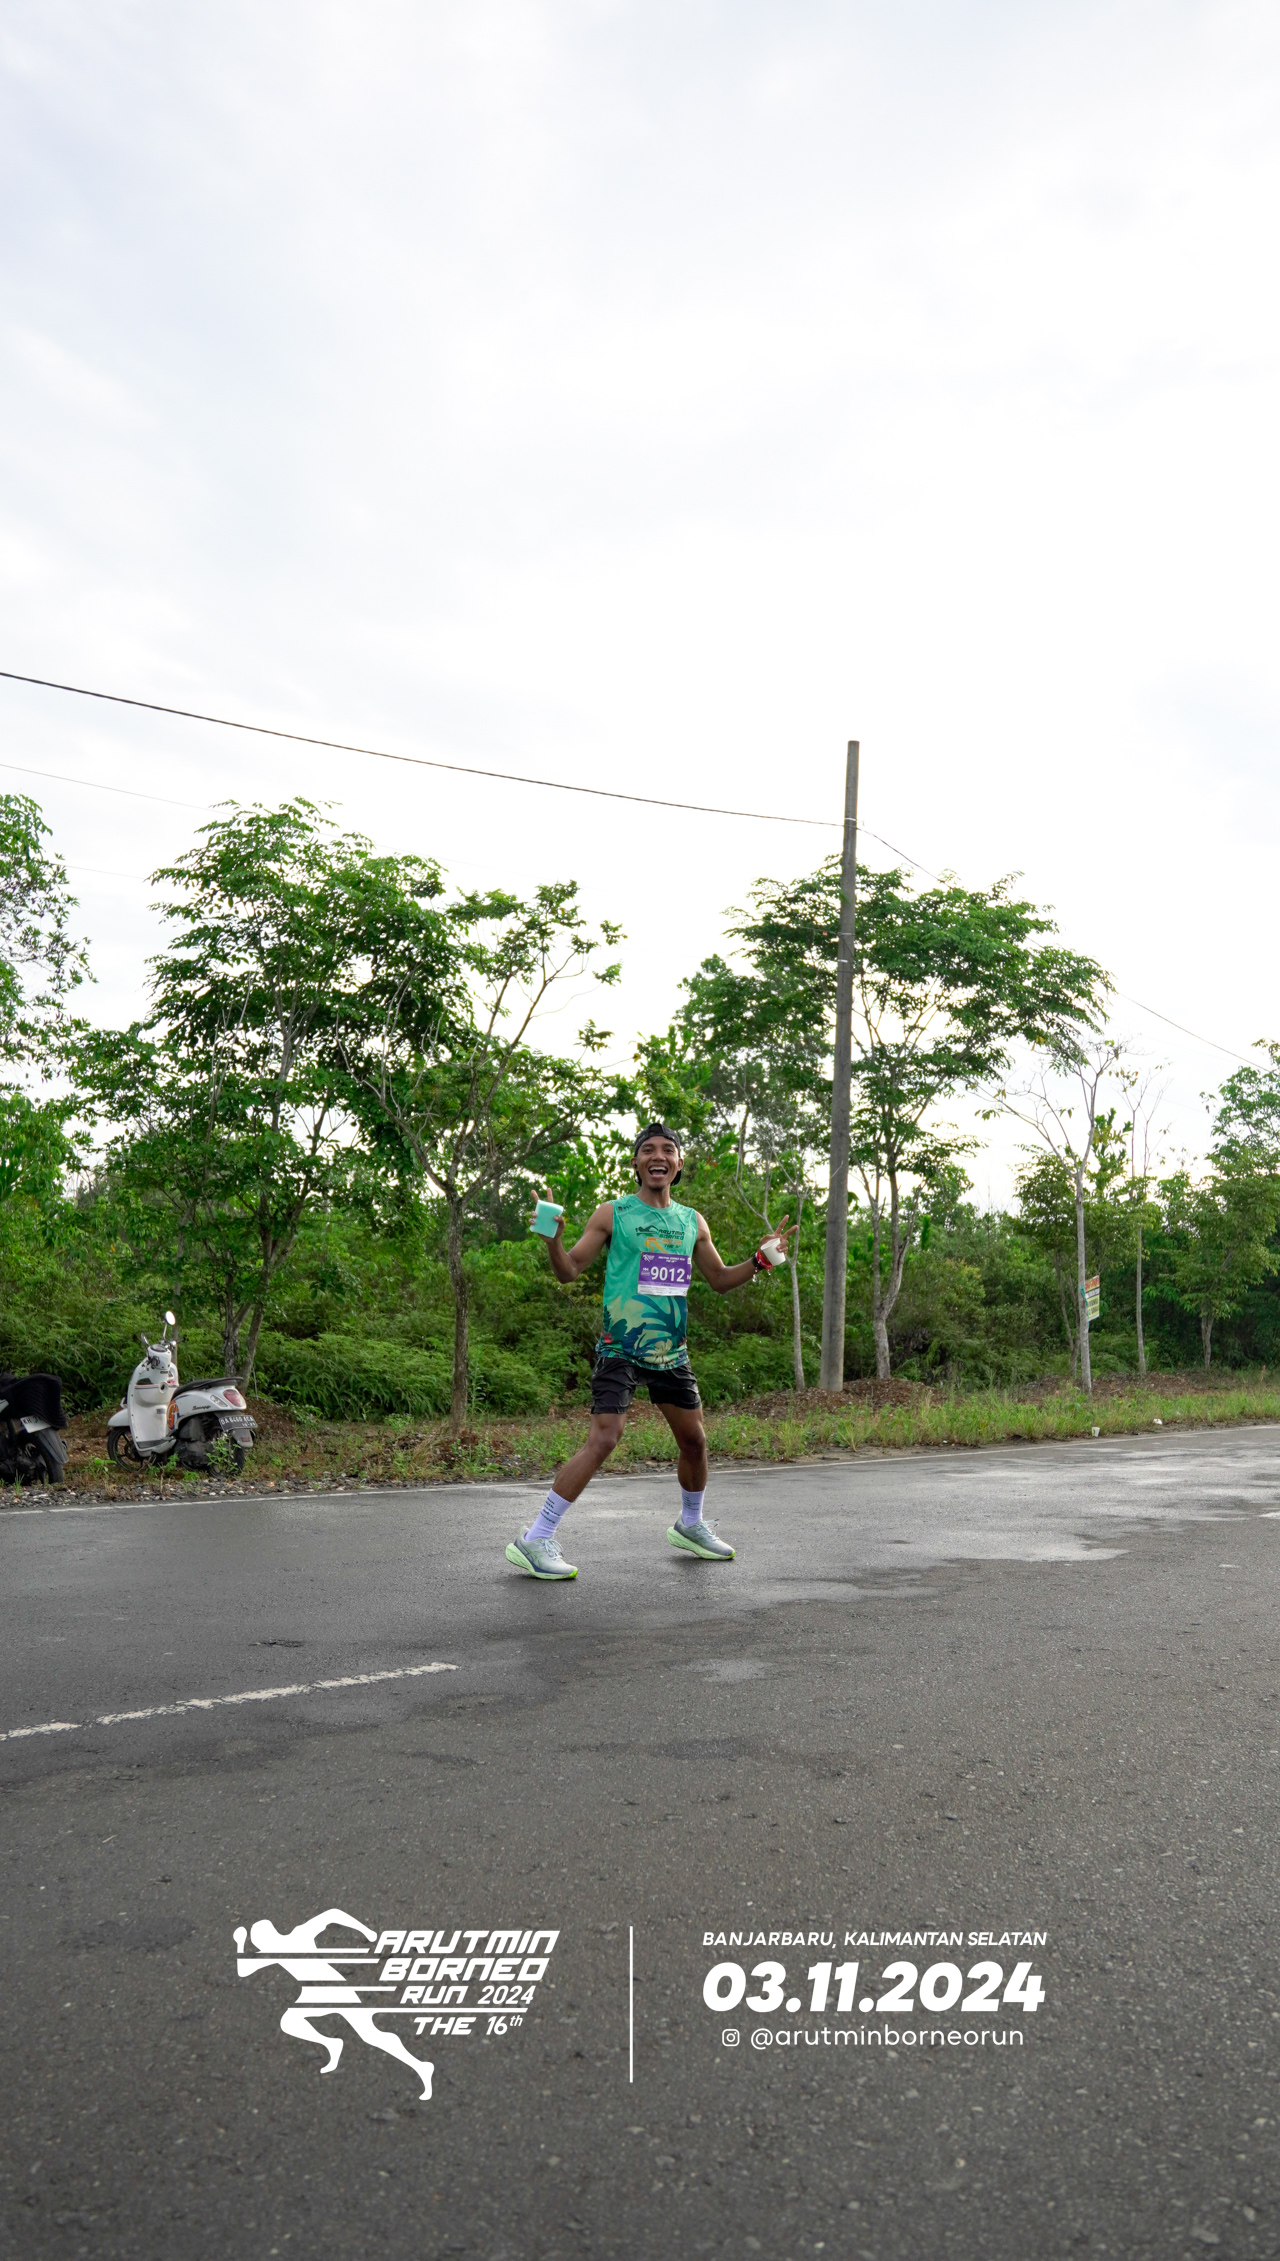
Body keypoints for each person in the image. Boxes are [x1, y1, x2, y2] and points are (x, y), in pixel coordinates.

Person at [505, 1123, 792, 1580]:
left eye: (668, 1150)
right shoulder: (613, 1213)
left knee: (695, 1441)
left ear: (679, 1164)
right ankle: (536, 1536)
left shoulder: (692, 1221)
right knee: (605, 1438)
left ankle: (690, 1524)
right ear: (636, 1163)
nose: (658, 1156)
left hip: (670, 1353)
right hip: (621, 1345)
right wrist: (553, 1241)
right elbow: (569, 1270)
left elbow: (719, 1280)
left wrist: (760, 1261)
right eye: (648, 1150)